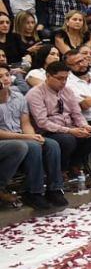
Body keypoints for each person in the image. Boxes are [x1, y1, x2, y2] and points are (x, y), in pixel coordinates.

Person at [27, 60, 91, 190]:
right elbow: (42, 122)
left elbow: (77, 114)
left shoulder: (67, 91)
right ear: (48, 76)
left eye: (66, 78)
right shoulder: (35, 94)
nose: (63, 82)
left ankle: (74, 162)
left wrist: (84, 125)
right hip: (49, 131)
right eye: (60, 78)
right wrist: (70, 131)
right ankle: (63, 169)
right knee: (68, 139)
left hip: (70, 127)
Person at [0, 63, 65, 210]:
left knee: (51, 144)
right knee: (29, 145)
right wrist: (25, 138)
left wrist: (32, 135)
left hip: (19, 135)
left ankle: (54, 188)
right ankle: (33, 192)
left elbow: (25, 122)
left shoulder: (18, 96)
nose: (5, 79)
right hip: (5, 139)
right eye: (0, 77)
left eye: (6, 75)